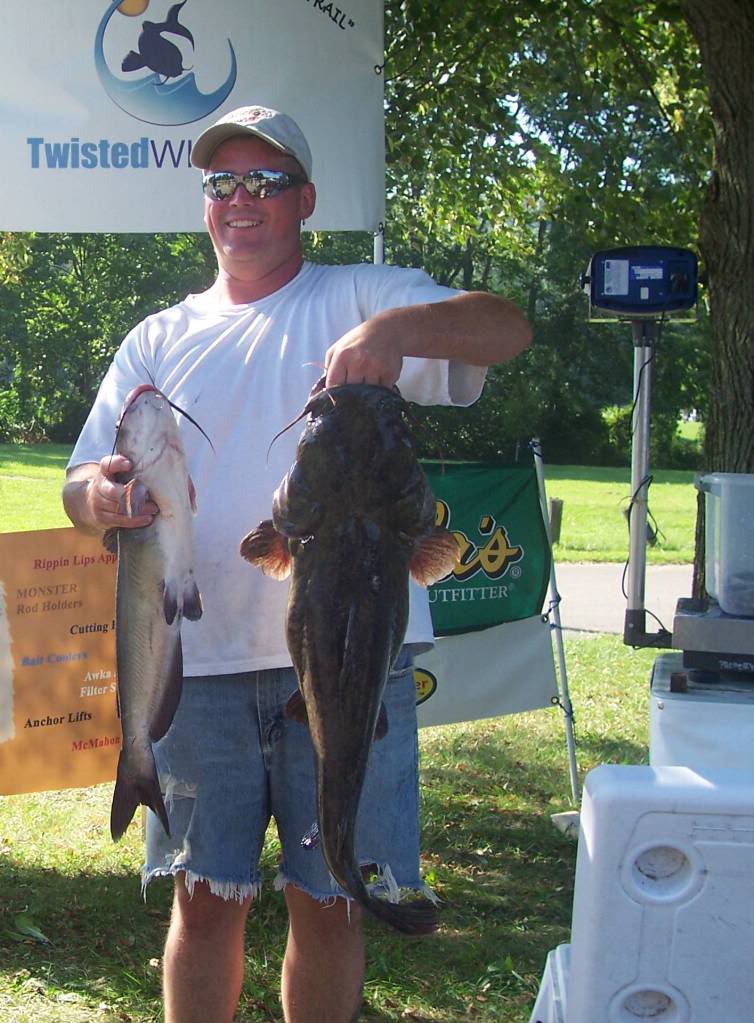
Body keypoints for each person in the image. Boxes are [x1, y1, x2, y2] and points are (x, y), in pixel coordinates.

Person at [62, 105, 532, 1023]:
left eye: (266, 182)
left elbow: (505, 328)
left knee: (329, 906)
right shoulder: (158, 337)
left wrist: (396, 334)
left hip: (352, 664)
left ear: (306, 200)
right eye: (222, 182)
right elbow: (79, 484)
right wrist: (106, 498)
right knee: (206, 904)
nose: (241, 199)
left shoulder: (357, 296)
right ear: (206, 201)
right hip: (195, 672)